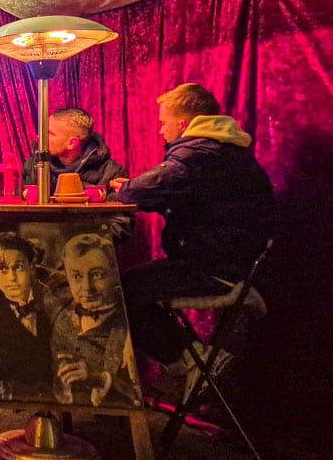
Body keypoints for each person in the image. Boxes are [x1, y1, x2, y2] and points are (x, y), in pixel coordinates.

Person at [111, 83, 274, 383]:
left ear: (183, 124)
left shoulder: (195, 155)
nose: (161, 130)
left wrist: (127, 187)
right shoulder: (227, 150)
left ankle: (192, 361)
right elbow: (198, 200)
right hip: (233, 261)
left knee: (116, 292)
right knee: (132, 287)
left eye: (164, 123)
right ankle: (192, 361)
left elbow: (136, 193)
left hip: (212, 269)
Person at [0, 232, 62, 401]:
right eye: (2, 269)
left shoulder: (52, 291)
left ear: (31, 266)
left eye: (18, 267)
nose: (11, 278)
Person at [50, 233, 139, 407]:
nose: (87, 288)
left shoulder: (132, 320)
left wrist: (99, 379)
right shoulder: (57, 303)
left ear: (115, 273)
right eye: (76, 276)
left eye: (97, 275)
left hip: (115, 408)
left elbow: (144, 391)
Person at [22, 108, 128, 193]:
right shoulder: (33, 166)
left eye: (49, 134)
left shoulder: (112, 173)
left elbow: (119, 213)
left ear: (72, 143)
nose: (40, 137)